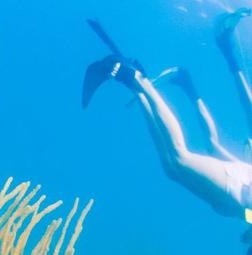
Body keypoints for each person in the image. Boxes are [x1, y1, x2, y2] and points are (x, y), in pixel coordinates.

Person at [83, 12, 252, 221]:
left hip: (240, 199)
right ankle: (135, 77)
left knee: (172, 168)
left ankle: (135, 83)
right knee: (181, 157)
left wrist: (244, 215)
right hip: (242, 189)